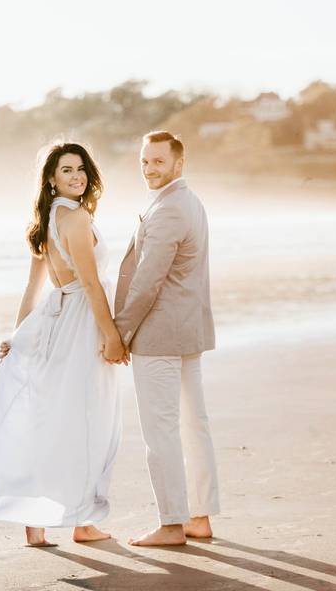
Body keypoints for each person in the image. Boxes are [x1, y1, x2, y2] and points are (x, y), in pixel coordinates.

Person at [0, 142, 127, 547]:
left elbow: (33, 286)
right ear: (51, 178)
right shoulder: (74, 218)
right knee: (87, 419)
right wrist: (111, 335)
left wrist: (19, 333)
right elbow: (91, 283)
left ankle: (36, 522)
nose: (76, 176)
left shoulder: (46, 218)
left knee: (48, 418)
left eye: (81, 169)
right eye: (66, 171)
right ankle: (82, 521)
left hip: (52, 321)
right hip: (80, 323)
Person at [113, 130, 220, 547]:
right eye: (144, 161)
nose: (149, 169)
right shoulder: (189, 202)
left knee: (161, 431)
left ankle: (172, 524)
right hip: (187, 331)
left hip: (159, 336)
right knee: (194, 425)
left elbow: (147, 282)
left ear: (179, 163)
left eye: (158, 161)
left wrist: (120, 332)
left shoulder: (171, 209)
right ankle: (199, 516)